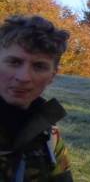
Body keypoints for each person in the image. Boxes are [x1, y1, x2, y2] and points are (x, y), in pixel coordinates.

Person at [0, 15, 73, 181]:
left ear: (52, 76)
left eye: (39, 66)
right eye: (14, 62)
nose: (24, 77)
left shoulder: (48, 134)